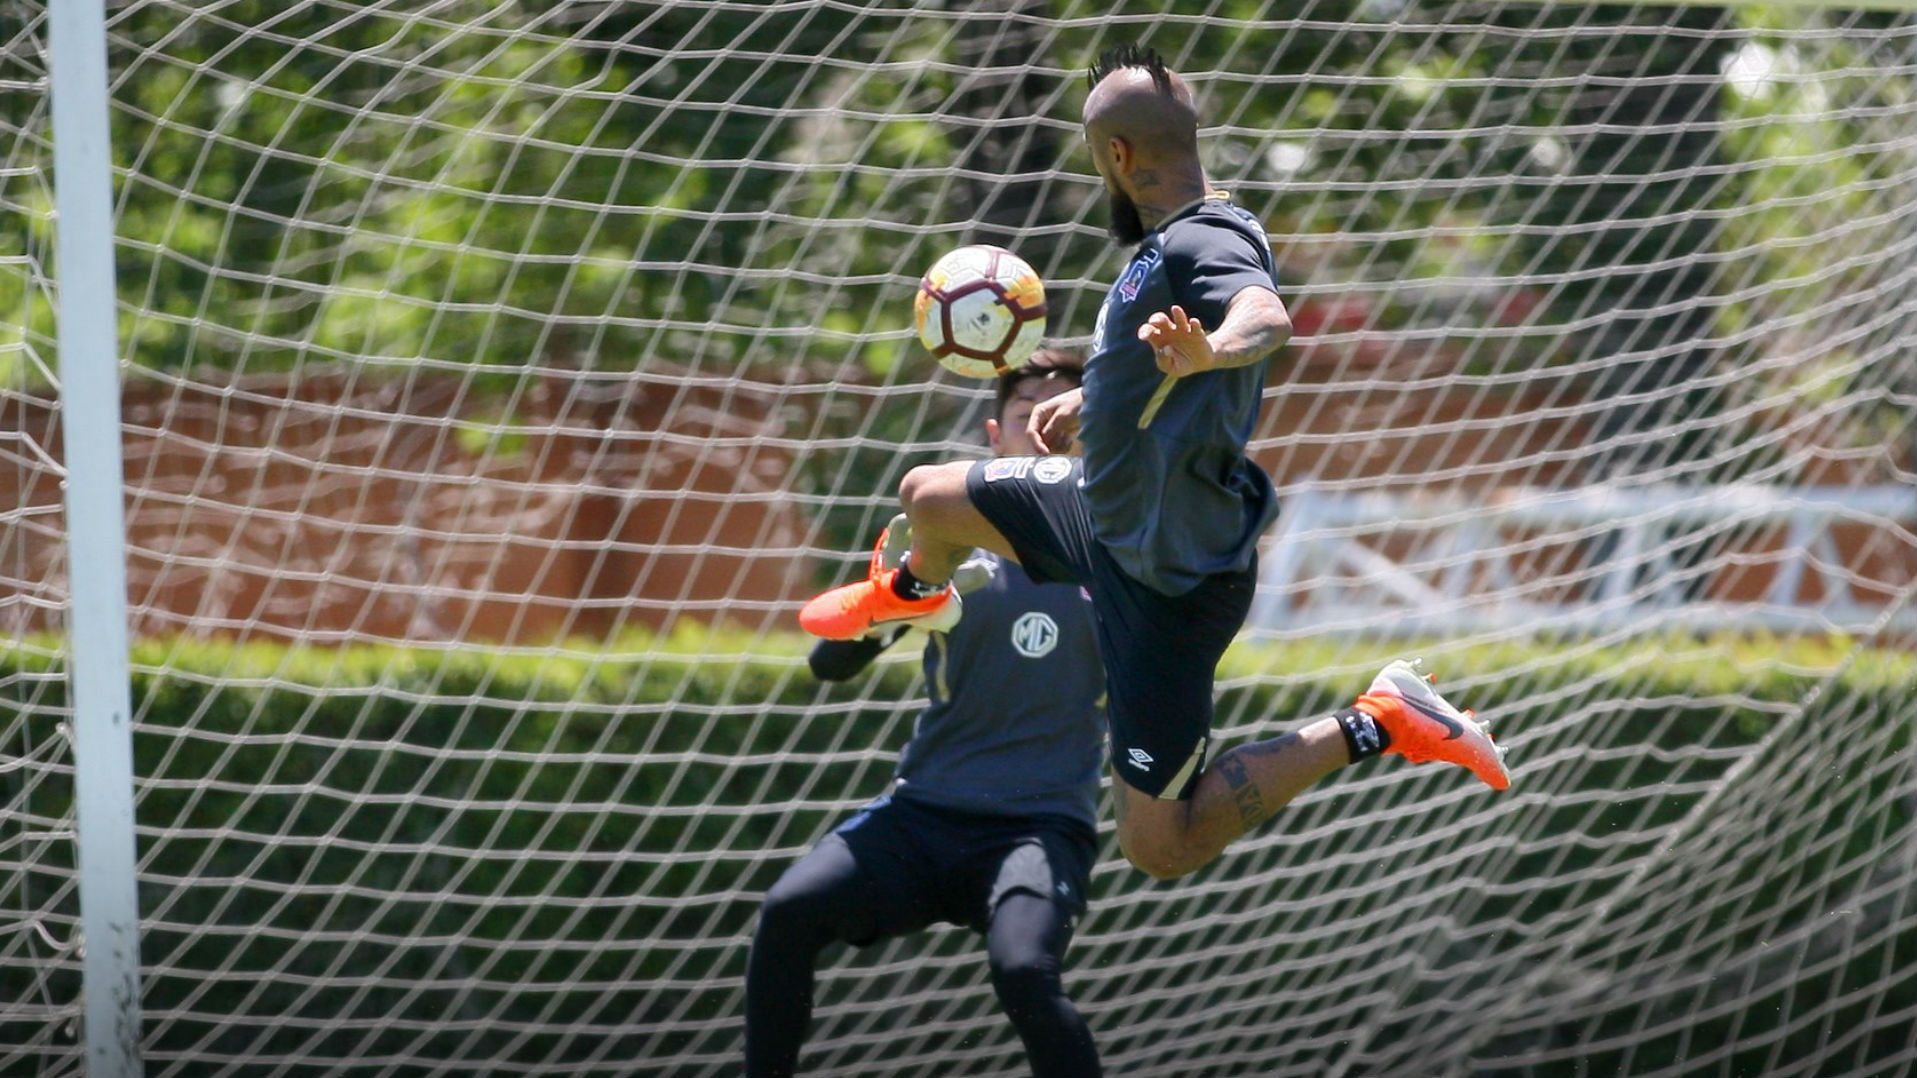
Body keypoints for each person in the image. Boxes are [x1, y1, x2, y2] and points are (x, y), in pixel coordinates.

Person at [801, 45, 1510, 883]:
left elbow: (1264, 316)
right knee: (931, 496)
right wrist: (1096, 398)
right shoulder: (1169, 243)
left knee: (1159, 846)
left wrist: (1213, 350)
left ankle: (1381, 717)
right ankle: (914, 591)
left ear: (1116, 154)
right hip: (1107, 512)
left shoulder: (1205, 235)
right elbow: (1160, 363)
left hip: (1167, 574)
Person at [747, 350, 1106, 1078]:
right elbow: (830, 666)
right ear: (993, 435)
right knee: (786, 914)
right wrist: (902, 593)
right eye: (1025, 415)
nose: (1045, 430)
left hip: (1039, 826)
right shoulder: (946, 542)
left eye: (1063, 415)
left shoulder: (1119, 556)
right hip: (925, 814)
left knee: (1024, 970)